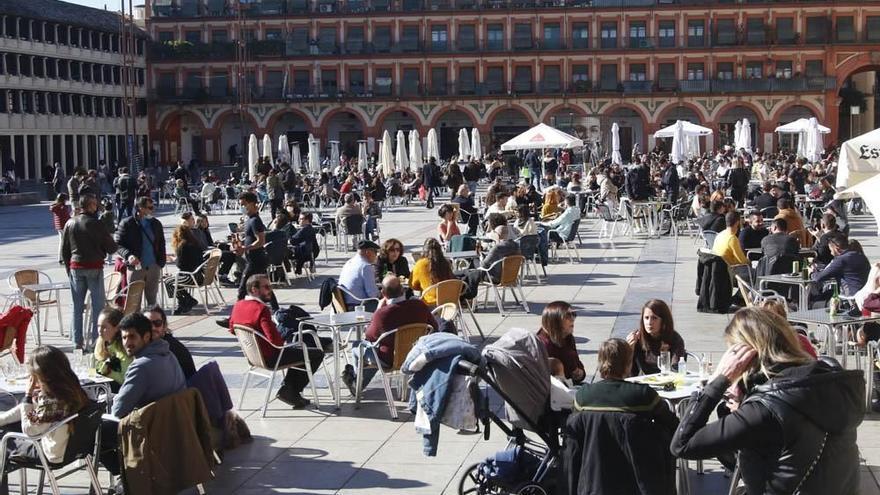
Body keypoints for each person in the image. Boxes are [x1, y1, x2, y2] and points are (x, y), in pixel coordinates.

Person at [671, 308, 863, 495]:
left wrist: (718, 381)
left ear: (745, 356)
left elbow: (682, 444)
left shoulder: (765, 409)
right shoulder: (828, 381)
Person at [564, 338, 679, 495]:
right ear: (628, 363)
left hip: (594, 478)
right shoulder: (643, 395)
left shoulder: (583, 397)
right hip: (637, 479)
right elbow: (673, 424)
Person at [228, 275, 324, 408]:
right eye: (266, 287)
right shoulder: (261, 309)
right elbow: (276, 342)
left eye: (271, 287)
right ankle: (290, 391)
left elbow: (233, 329)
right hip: (271, 357)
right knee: (316, 353)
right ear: (254, 290)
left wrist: (253, 338)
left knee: (299, 351)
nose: (270, 291)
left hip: (253, 357)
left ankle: (290, 390)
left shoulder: (238, 305)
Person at [341, 275, 436, 394]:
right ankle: (356, 381)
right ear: (403, 290)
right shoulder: (420, 306)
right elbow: (434, 327)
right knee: (375, 349)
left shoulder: (382, 314)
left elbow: (369, 336)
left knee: (358, 346)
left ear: (383, 293)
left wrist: (378, 310)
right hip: (416, 355)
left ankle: (357, 384)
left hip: (389, 359)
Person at [0, 346, 89, 468]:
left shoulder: (51, 401)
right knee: (6, 426)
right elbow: (29, 412)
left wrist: (27, 396)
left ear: (41, 374)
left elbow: (30, 430)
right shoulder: (71, 389)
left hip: (50, 453)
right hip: (71, 447)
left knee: (3, 437)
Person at [61, 194, 118, 349]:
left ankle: (76, 341)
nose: (97, 206)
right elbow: (112, 247)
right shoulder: (96, 223)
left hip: (76, 267)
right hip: (93, 266)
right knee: (98, 307)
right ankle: (96, 342)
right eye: (94, 204)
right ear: (90, 206)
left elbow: (64, 249)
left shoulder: (70, 222)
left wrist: (69, 269)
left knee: (76, 306)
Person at [115, 196, 166, 306]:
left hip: (153, 266)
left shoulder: (156, 224)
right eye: (149, 207)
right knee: (134, 303)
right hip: (136, 268)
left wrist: (161, 262)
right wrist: (128, 255)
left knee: (152, 301)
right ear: (140, 208)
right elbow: (118, 244)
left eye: (153, 207)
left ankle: (152, 321)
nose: (152, 210)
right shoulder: (127, 223)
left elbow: (161, 243)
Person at [234, 191, 275, 308]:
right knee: (264, 288)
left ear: (252, 204)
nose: (242, 207)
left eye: (244, 204)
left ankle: (235, 316)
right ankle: (275, 309)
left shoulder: (255, 220)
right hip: (253, 259)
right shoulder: (249, 219)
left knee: (243, 289)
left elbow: (261, 240)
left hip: (256, 259)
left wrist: (245, 248)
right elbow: (249, 237)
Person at [626, 299, 686, 375]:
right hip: (643, 381)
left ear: (664, 321)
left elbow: (676, 370)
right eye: (646, 318)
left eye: (654, 318)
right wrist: (629, 350)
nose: (649, 322)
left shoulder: (674, 339)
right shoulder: (637, 338)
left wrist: (665, 357)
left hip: (667, 381)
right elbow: (629, 373)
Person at [810, 233, 871, 303]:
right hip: (865, 294)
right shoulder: (860, 256)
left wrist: (811, 273)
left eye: (831, 250)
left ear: (836, 249)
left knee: (815, 299)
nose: (831, 253)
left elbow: (818, 278)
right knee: (827, 293)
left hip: (850, 296)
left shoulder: (841, 260)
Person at [536, 301, 585, 384]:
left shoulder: (568, 337)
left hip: (569, 384)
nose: (572, 319)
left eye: (573, 314)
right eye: (568, 316)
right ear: (555, 320)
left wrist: (580, 373)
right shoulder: (544, 345)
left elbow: (577, 363)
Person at [146, 305, 196, 380]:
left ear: (164, 326)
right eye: (147, 324)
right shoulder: (155, 345)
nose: (152, 327)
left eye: (157, 323)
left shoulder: (167, 348)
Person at [164, 223, 202, 314]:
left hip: (190, 276)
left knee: (168, 282)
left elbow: (180, 265)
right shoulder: (195, 243)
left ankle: (183, 300)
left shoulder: (183, 246)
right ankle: (186, 301)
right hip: (199, 275)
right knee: (174, 281)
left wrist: (175, 259)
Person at [94, 307, 133, 389]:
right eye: (98, 326)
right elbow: (92, 367)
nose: (99, 331)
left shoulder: (124, 349)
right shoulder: (100, 344)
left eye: (104, 327)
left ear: (117, 328)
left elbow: (124, 379)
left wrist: (107, 371)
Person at [410, 238, 455, 306]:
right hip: (450, 301)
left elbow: (413, 285)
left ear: (424, 250)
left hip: (430, 303)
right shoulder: (446, 262)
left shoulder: (420, 264)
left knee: (411, 298)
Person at [338, 240, 381, 311]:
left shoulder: (349, 262)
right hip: (358, 306)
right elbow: (373, 294)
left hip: (345, 303)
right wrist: (382, 293)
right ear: (368, 252)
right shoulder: (365, 266)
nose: (376, 255)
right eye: (376, 252)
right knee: (389, 306)